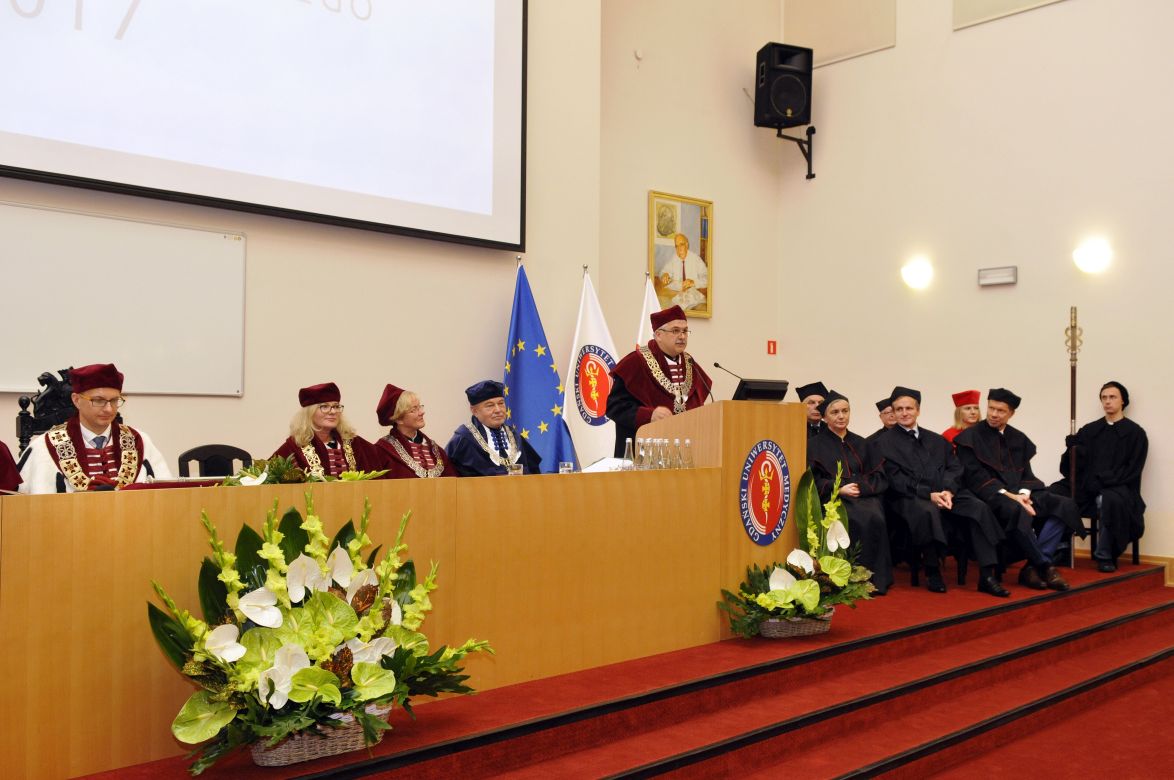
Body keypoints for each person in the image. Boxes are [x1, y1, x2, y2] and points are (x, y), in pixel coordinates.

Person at [874, 386, 1008, 597]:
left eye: (909, 408)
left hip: (946, 493)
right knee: (927, 511)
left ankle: (986, 575)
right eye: (899, 409)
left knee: (978, 507)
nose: (904, 413)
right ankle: (932, 570)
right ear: (894, 412)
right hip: (909, 496)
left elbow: (954, 467)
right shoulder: (882, 444)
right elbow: (894, 479)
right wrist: (929, 494)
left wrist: (948, 490)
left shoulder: (936, 439)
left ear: (918, 410)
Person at [954, 388, 1082, 591]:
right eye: (991, 408)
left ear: (1011, 413)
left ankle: (1032, 566)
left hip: (1019, 493)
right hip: (991, 495)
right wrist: (1010, 496)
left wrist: (1023, 494)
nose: (994, 414)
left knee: (1063, 504)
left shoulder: (1018, 438)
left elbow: (1027, 474)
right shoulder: (969, 437)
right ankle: (1045, 566)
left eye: (1001, 411)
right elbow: (974, 477)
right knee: (1016, 510)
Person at [18, 362, 172, 493]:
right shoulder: (43, 448)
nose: (109, 409)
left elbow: (166, 495)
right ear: (76, 400)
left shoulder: (140, 441)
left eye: (114, 400)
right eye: (98, 400)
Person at [1051, 381, 1147, 572]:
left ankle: (1105, 555)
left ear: (1123, 401)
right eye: (1104, 397)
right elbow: (1070, 469)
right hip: (1085, 485)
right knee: (1053, 493)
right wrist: (1072, 450)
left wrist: (1104, 480)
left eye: (1112, 397)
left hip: (1118, 487)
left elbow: (1132, 469)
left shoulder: (1135, 433)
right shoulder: (1090, 430)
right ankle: (1061, 548)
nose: (1107, 401)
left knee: (1107, 500)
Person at [806, 391, 894, 595]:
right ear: (825, 417)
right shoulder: (813, 446)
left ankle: (876, 578)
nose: (841, 416)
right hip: (833, 499)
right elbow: (811, 480)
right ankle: (849, 579)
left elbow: (879, 476)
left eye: (845, 411)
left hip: (864, 496)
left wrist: (861, 488)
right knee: (855, 519)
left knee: (876, 517)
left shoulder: (863, 443)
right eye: (835, 412)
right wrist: (837, 488)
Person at [606, 305, 712, 457]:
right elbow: (614, 407)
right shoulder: (635, 362)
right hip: (641, 455)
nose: (682, 336)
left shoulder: (690, 363)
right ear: (658, 335)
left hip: (684, 453)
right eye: (675, 331)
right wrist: (648, 415)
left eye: (685, 331)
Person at [271, 382, 378, 478]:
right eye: (325, 406)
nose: (333, 411)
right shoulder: (294, 447)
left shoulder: (354, 443)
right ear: (310, 413)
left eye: (336, 406)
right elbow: (269, 477)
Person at [445, 380, 541, 476]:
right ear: (474, 411)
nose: (498, 410)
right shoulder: (464, 438)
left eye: (501, 403)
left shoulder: (514, 435)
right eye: (490, 405)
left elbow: (534, 473)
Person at [373, 383, 457, 479]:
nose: (422, 412)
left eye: (420, 407)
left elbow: (453, 483)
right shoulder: (383, 451)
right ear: (398, 419)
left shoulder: (437, 451)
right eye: (414, 409)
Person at [658, 233, 709, 311]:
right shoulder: (674, 259)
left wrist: (693, 282)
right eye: (676, 246)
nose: (679, 249)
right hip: (677, 296)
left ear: (687, 245)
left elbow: (707, 278)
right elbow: (663, 272)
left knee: (703, 309)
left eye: (681, 244)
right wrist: (664, 275)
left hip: (695, 297)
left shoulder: (696, 259)